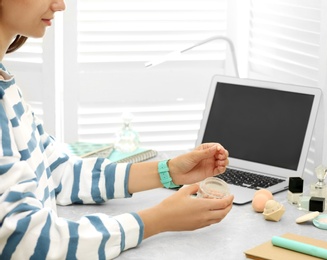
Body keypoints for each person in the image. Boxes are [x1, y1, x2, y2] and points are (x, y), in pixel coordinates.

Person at [0, 0, 234, 259]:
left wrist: (168, 171)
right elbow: (27, 240)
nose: (60, 4)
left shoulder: (6, 85)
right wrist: (157, 219)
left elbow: (60, 172)